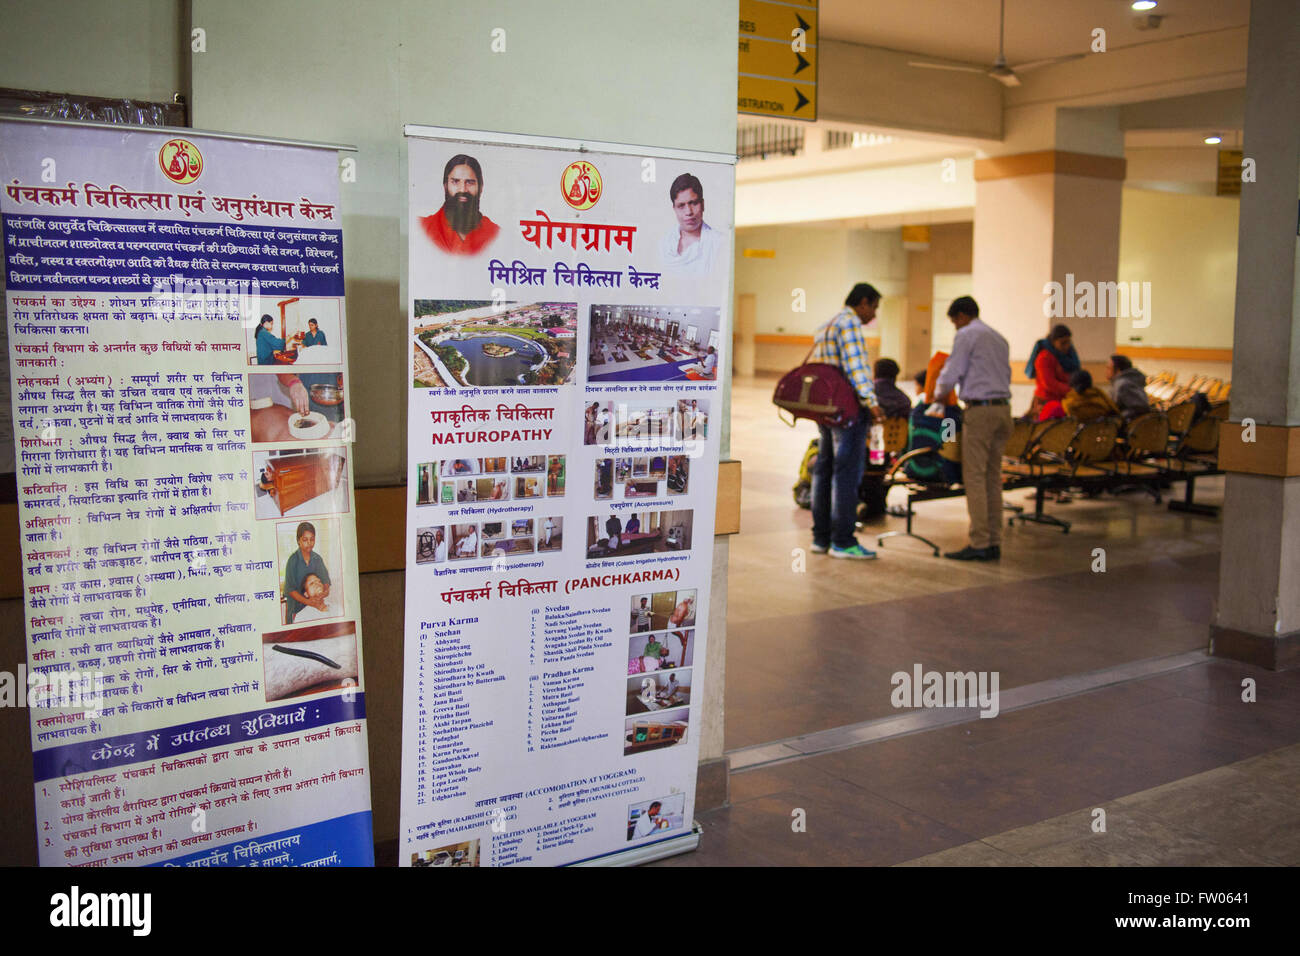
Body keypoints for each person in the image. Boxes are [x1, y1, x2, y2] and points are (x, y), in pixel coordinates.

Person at [933, 296, 1013, 561]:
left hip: (980, 411)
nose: (955, 327)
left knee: (975, 477)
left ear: (962, 316)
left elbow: (951, 372)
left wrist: (937, 396)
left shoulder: (967, 335)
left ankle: (979, 542)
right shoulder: (999, 338)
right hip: (1003, 409)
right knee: (992, 477)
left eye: (955, 321)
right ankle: (994, 541)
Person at [808, 283, 885, 559]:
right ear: (862, 302)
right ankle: (843, 541)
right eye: (873, 307)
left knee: (823, 470)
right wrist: (871, 402)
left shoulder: (825, 325)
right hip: (848, 411)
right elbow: (856, 367)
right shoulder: (849, 324)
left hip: (826, 410)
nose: (873, 314)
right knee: (846, 474)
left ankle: (821, 538)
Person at [420, 153, 500, 255]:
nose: (462, 189)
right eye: (455, 182)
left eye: (470, 182)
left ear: (481, 188)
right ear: (445, 186)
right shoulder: (422, 229)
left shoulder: (495, 234)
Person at [658, 173, 723, 275]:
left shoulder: (718, 243)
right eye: (681, 206)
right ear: (674, 209)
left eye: (693, 203)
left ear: (703, 204)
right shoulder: (664, 244)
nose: (688, 212)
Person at [284, 522, 331, 623]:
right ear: (298, 541)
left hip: (315, 609)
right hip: (297, 610)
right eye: (305, 540)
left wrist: (325, 591)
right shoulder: (293, 561)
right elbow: (290, 590)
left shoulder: (317, 559)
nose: (309, 543)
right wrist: (309, 602)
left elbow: (325, 581)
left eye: (312, 539)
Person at [1027, 324, 1078, 416]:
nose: (1066, 346)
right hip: (1045, 402)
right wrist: (1071, 390)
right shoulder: (1044, 357)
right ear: (1053, 342)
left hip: (1063, 400)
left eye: (1068, 342)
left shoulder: (1069, 357)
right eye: (1063, 343)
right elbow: (1048, 383)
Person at [1107, 354, 1151, 420]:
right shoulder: (1131, 380)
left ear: (1118, 370)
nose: (1106, 371)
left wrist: (1117, 418)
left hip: (1128, 425)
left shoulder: (1123, 384)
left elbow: (1140, 407)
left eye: (1109, 368)